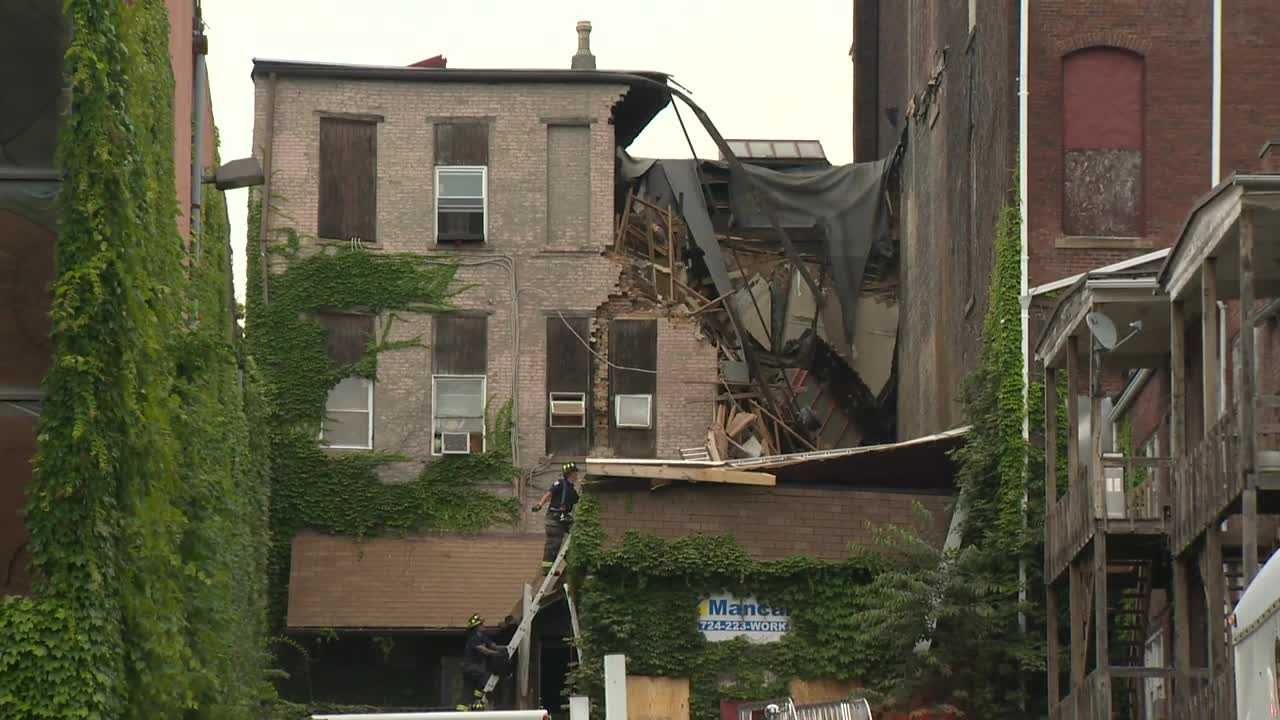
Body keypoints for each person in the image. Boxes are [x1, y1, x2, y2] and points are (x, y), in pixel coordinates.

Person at [531, 462, 580, 571]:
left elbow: (577, 500)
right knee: (554, 543)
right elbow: (549, 494)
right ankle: (547, 568)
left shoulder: (572, 490)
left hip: (564, 519)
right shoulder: (560, 484)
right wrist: (539, 505)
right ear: (570, 473)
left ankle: (574, 563)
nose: (577, 475)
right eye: (575, 472)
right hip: (554, 519)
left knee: (576, 536)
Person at [457, 613, 503, 711]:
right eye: (481, 624)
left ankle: (462, 709)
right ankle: (477, 700)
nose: (483, 625)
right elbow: (484, 650)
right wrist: (498, 654)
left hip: (474, 668)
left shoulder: (482, 636)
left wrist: (506, 648)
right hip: (470, 667)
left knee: (468, 690)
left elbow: (493, 645)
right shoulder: (474, 637)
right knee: (484, 677)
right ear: (476, 627)